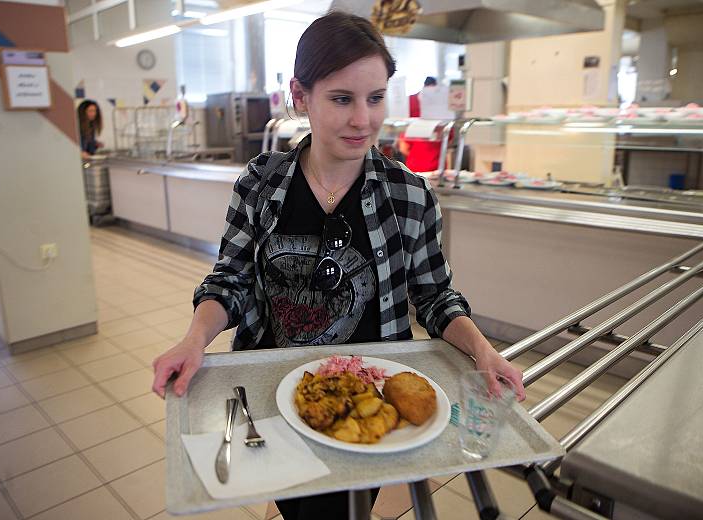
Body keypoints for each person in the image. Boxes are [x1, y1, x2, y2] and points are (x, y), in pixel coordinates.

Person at [151, 11, 525, 520]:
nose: (363, 120)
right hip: (274, 395)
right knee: (294, 503)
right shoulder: (260, 185)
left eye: (375, 98)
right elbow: (230, 281)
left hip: (368, 402)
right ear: (300, 96)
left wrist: (484, 352)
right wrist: (193, 340)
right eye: (342, 99)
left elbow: (435, 298)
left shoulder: (409, 197)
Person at [398, 76, 446, 172]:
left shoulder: (412, 101)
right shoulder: (441, 112)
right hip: (432, 168)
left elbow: (404, 147)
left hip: (419, 167)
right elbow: (448, 140)